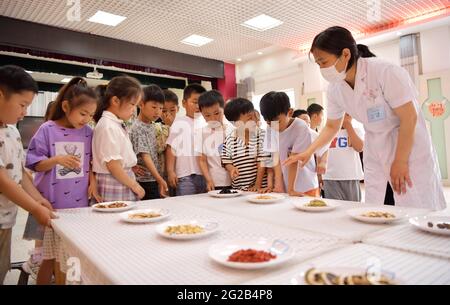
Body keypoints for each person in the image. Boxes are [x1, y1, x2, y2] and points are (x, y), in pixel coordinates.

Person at [284, 26, 446, 210]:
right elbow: (331, 126)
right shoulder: (335, 88)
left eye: (323, 62)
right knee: (377, 206)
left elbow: (409, 118)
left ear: (345, 54)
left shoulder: (384, 71)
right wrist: (309, 151)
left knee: (415, 205)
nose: (322, 68)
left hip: (408, 147)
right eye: (318, 64)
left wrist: (400, 160)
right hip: (375, 148)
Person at [26, 77, 98, 284]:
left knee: (71, 255)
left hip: (78, 205)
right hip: (52, 205)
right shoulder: (48, 129)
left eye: (91, 115)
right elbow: (33, 163)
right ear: (66, 106)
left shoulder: (88, 133)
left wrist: (92, 181)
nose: (86, 119)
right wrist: (57, 160)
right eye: (83, 113)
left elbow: (91, 162)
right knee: (50, 256)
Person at [0, 65, 55, 284]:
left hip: (6, 218)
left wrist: (39, 199)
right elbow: (3, 180)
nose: (24, 112)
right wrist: (34, 208)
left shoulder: (12, 130)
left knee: (3, 267)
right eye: (22, 105)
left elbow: (19, 173)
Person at [260, 91, 325, 197]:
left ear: (290, 112)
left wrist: (291, 189)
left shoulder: (300, 127)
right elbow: (275, 158)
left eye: (277, 121)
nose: (273, 126)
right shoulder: (270, 128)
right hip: (287, 186)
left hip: (306, 185)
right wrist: (278, 185)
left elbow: (293, 160)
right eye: (268, 122)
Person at [93, 76, 145, 202]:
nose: (134, 111)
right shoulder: (108, 125)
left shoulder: (114, 123)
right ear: (115, 101)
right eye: (132, 104)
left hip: (121, 179)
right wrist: (134, 185)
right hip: (115, 181)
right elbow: (113, 165)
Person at [165, 84, 207, 196]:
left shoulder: (206, 123)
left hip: (205, 174)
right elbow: (171, 148)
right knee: (186, 206)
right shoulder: (179, 123)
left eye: (201, 103)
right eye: (195, 102)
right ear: (184, 103)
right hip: (185, 175)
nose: (198, 106)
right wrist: (170, 171)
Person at [221, 98, 269, 191]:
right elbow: (227, 161)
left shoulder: (263, 135)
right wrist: (231, 169)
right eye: (250, 118)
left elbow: (262, 162)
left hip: (261, 189)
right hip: (239, 190)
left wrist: (257, 185)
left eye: (254, 116)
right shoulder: (229, 139)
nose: (254, 120)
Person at [130, 85, 168, 200]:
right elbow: (145, 156)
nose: (158, 112)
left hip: (153, 178)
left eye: (161, 108)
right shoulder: (137, 127)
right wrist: (160, 179)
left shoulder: (151, 125)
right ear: (141, 104)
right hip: (143, 180)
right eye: (154, 107)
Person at [322, 113, 365, 201]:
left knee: (353, 207)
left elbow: (359, 148)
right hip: (330, 177)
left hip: (351, 177)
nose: (346, 117)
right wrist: (320, 176)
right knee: (334, 209)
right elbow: (321, 153)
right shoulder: (326, 131)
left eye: (349, 114)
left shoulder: (356, 130)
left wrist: (348, 125)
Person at [196, 90, 232, 191]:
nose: (213, 118)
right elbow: (202, 160)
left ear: (223, 108)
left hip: (235, 181)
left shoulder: (232, 129)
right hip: (215, 181)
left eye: (217, 113)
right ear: (202, 114)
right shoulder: (201, 133)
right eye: (207, 115)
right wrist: (208, 180)